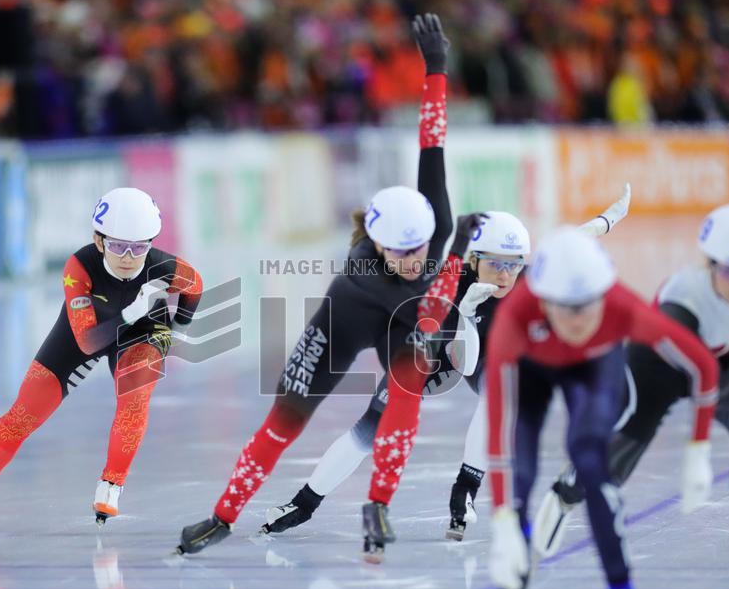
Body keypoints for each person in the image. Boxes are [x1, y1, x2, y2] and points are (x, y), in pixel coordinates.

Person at [173, 13, 479, 556]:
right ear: (377, 245)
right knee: (284, 421)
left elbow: (432, 138)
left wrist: (435, 67)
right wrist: (452, 256)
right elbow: (435, 303)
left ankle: (377, 505)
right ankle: (222, 515)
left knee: (404, 397)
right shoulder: (361, 277)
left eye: (420, 249)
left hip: (406, 321)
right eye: (400, 252)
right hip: (348, 322)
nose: (414, 260)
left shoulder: (432, 220)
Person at [259, 188, 632, 545]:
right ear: (474, 260)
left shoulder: (525, 278)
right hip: (427, 354)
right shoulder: (446, 282)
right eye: (496, 264)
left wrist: (606, 221)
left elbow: (570, 244)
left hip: (478, 355)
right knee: (369, 431)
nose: (506, 275)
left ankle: (465, 488)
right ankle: (304, 503)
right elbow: (453, 354)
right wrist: (464, 311)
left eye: (514, 264)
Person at [534, 203, 729, 589]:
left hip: (724, 360)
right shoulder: (683, 301)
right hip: (661, 363)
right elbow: (713, 390)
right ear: (710, 264)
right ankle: (569, 489)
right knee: (631, 440)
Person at [484, 228, 719, 589]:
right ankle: (519, 539)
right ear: (543, 301)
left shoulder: (621, 306)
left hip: (592, 369)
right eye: (566, 309)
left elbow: (703, 366)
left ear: (604, 296)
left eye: (587, 307)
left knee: (591, 461)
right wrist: (503, 517)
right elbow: (500, 426)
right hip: (531, 370)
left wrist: (699, 447)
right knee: (521, 468)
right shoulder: (515, 317)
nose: (577, 321)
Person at [0, 187, 203, 529]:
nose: (129, 257)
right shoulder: (80, 266)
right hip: (88, 330)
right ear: (99, 241)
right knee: (23, 414)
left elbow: (195, 286)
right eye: (118, 246)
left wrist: (178, 328)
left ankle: (112, 482)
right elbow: (87, 342)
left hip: (144, 332)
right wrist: (131, 312)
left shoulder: (164, 266)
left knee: (134, 398)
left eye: (139, 247)